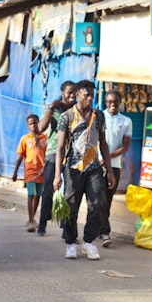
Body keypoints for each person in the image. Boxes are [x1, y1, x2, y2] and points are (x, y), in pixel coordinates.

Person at [53, 80, 115, 260]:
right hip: (73, 168)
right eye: (86, 94)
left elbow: (103, 144)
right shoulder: (67, 117)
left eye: (92, 95)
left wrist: (109, 170)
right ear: (77, 95)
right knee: (71, 206)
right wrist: (58, 175)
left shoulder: (99, 116)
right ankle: (71, 243)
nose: (90, 98)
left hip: (94, 167)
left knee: (97, 203)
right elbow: (60, 147)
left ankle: (88, 242)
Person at [36, 81, 77, 236]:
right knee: (48, 189)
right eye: (69, 92)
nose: (72, 95)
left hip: (72, 154)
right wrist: (51, 107)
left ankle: (66, 228)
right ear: (62, 92)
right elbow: (40, 128)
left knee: (70, 192)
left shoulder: (77, 110)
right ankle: (42, 223)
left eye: (74, 92)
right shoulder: (55, 109)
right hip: (54, 152)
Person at [98, 91, 132, 247]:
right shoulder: (98, 117)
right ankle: (101, 230)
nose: (112, 104)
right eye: (110, 101)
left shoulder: (126, 121)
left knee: (107, 199)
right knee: (97, 199)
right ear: (105, 102)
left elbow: (125, 146)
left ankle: (103, 231)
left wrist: (108, 158)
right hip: (96, 165)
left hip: (115, 165)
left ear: (120, 102)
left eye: (115, 101)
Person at [11, 114, 47, 232]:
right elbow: (20, 156)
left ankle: (32, 218)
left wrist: (46, 167)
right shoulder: (25, 139)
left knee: (38, 195)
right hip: (30, 171)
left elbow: (48, 154)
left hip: (41, 171)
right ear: (27, 126)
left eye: (35, 123)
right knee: (31, 193)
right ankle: (31, 219)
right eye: (30, 124)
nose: (33, 126)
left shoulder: (44, 138)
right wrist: (15, 172)